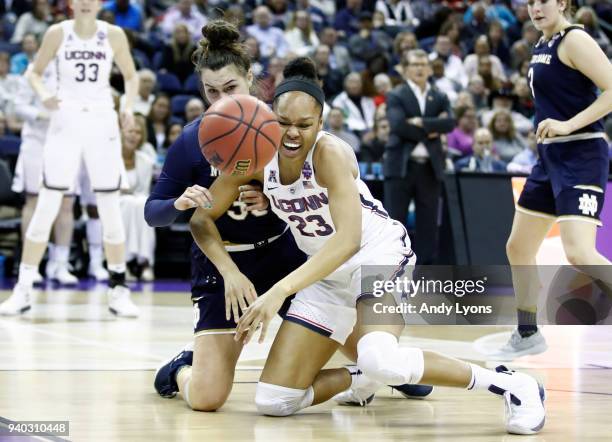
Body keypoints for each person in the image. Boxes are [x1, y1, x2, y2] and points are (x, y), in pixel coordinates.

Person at [189, 57, 546, 435]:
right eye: (283, 123)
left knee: (383, 359)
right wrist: (228, 268)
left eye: (304, 126)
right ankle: (359, 378)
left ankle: (513, 386)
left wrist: (278, 291)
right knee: (275, 401)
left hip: (375, 256)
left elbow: (347, 241)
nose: (292, 134)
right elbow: (201, 218)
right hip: (326, 272)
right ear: (269, 120)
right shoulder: (257, 156)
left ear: (321, 124)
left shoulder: (330, 154)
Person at [148, 20, 307, 412]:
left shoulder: (279, 129)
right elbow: (154, 213)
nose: (220, 99)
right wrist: (179, 203)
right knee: (207, 398)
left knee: (343, 334)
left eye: (230, 88)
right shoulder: (191, 139)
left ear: (250, 79)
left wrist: (273, 202)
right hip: (222, 260)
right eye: (211, 91)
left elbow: (310, 193)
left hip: (281, 253)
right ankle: (180, 369)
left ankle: (388, 367)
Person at [0, 0, 140, 317]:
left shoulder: (113, 34)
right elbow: (34, 74)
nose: (87, 2)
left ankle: (118, 289)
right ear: (71, 3)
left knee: (108, 205)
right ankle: (23, 289)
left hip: (102, 120)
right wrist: (44, 94)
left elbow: (131, 77)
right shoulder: (57, 32)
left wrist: (127, 107)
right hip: (65, 120)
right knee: (47, 204)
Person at [501, 0, 612, 360]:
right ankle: (527, 333)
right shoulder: (542, 43)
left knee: (579, 252)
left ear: (562, 3)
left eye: (543, 1)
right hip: (549, 159)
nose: (535, 7)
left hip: (582, 154)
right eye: (530, 2)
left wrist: (567, 124)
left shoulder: (574, 39)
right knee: (518, 247)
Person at [384, 49, 455, 265]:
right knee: (395, 224)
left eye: (424, 64)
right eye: (415, 64)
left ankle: (423, 274)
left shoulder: (439, 95)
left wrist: (419, 122)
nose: (420, 68)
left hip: (430, 168)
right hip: (401, 167)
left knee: (428, 225)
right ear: (405, 70)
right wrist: (432, 127)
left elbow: (449, 124)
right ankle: (392, 270)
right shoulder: (396, 94)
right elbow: (398, 126)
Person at [10, 62, 77, 284]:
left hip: (67, 141)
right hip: (36, 142)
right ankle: (31, 264)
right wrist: (41, 114)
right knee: (34, 200)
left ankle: (60, 264)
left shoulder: (76, 67)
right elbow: (17, 106)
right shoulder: (33, 69)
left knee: (66, 203)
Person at [119, 115, 156, 281]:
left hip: (136, 202)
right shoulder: (110, 158)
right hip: (115, 203)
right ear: (120, 133)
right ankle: (123, 262)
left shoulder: (145, 161)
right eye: (130, 131)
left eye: (138, 132)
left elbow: (144, 191)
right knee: (128, 203)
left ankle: (145, 262)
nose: (134, 135)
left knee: (141, 204)